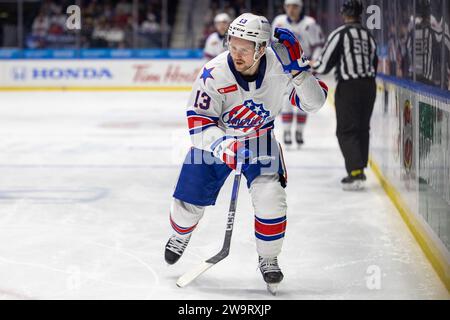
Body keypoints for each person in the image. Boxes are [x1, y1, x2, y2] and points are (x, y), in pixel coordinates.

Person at [164, 13, 327, 290]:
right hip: (215, 142)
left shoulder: (279, 69)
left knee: (271, 197)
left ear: (261, 48)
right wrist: (225, 146)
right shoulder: (213, 74)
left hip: (260, 140)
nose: (236, 53)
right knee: (188, 204)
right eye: (233, 45)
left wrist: (299, 70)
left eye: (244, 48)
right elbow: (198, 125)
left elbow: (314, 103)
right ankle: (180, 234)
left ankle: (269, 258)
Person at [311, 0, 378, 191]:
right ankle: (360, 169)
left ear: (343, 13)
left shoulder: (340, 34)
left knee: (346, 130)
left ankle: (355, 172)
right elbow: (374, 63)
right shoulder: (368, 35)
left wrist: (310, 66)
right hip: (369, 85)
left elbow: (324, 65)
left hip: (349, 86)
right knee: (362, 128)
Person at [272, 0, 325, 147]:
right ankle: (287, 131)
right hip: (286, 67)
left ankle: (299, 132)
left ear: (300, 8)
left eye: (294, 6)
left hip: (304, 65)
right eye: (288, 6)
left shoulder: (310, 23)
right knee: (287, 101)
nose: (291, 9)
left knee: (305, 99)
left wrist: (314, 61)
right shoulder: (279, 21)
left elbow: (318, 46)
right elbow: (273, 45)